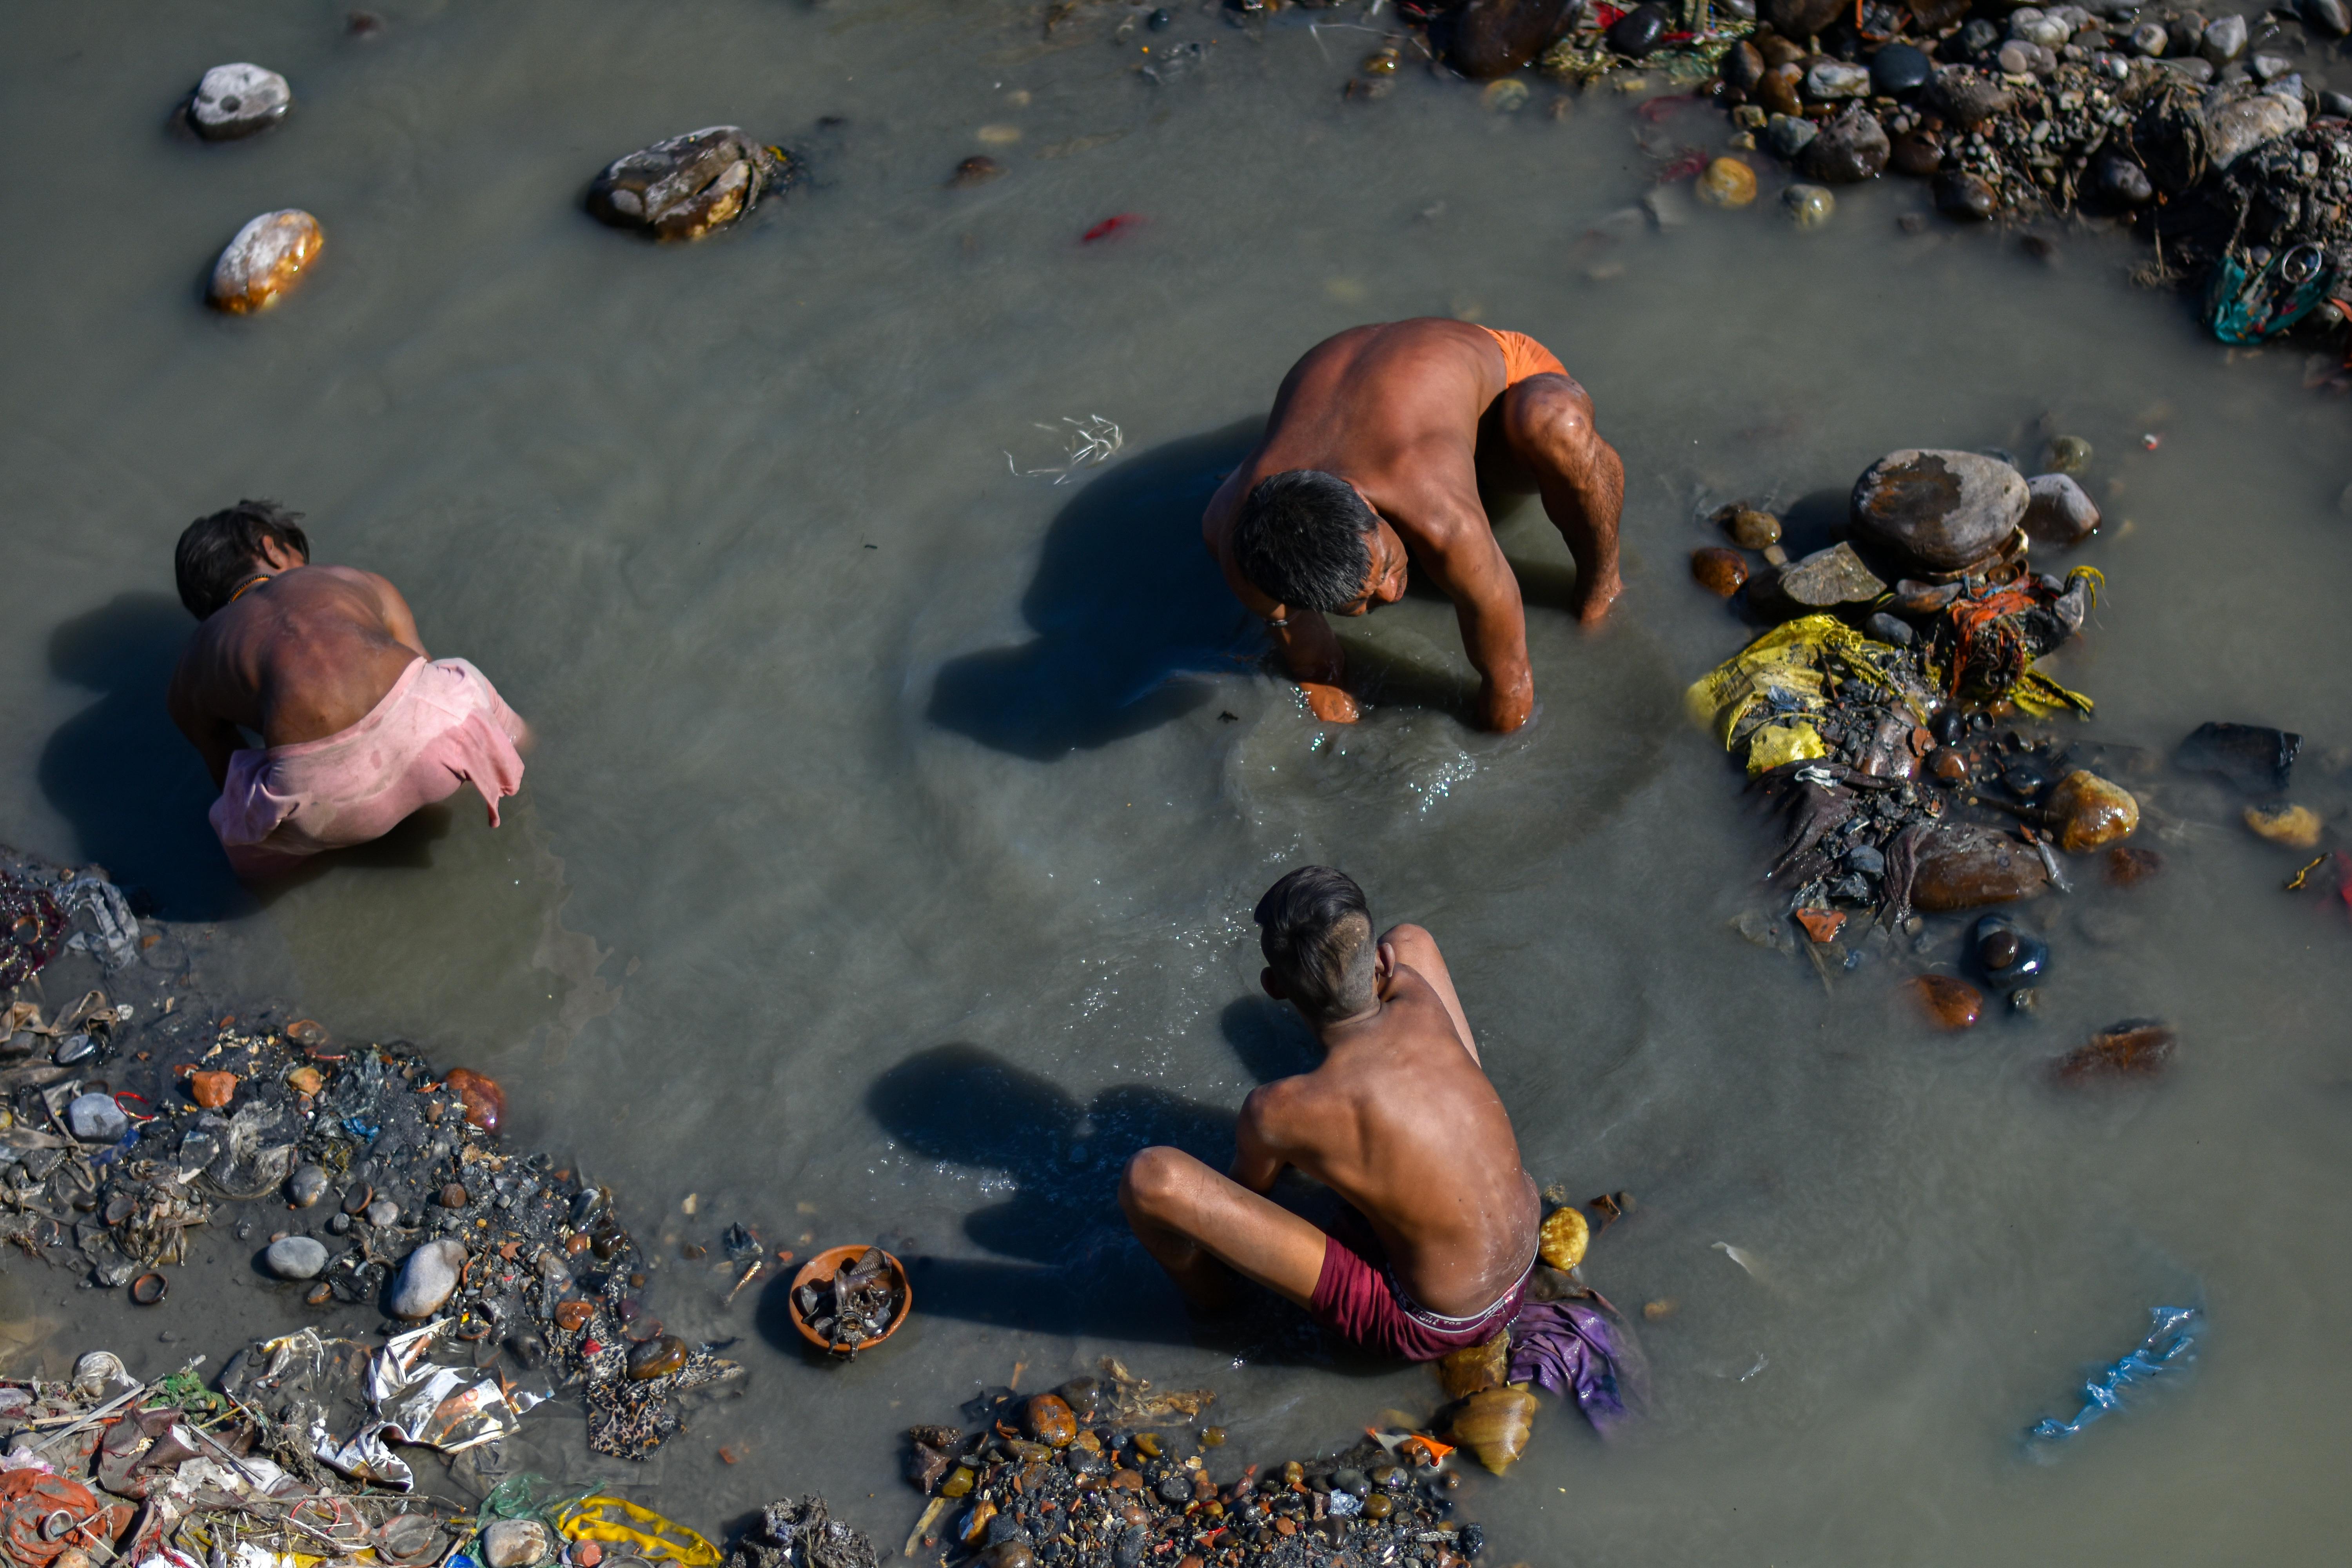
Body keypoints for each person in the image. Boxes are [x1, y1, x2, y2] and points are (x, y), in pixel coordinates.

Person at [1120, 867, 1541, 1360]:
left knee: (1150, 1180)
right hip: (1524, 1250)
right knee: (1414, 938)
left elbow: (1250, 1194)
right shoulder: (1416, 993)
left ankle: (1218, 1309)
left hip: (1438, 1322)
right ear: (1382, 963)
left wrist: (1298, 1141)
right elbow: (1393, 964)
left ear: (1273, 986)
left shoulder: (1275, 1109)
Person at [1201, 318, 1625, 734]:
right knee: (1234, 536)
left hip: (1496, 385)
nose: (1392, 592)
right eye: (1362, 604)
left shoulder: (1444, 516)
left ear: (1363, 500)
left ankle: (1602, 585)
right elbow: (1315, 667)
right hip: (1357, 399)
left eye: (1385, 566)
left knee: (1554, 424)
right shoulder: (1242, 546)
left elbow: (1510, 683)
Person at [166, 500, 530, 879]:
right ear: (271, 548)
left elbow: (223, 770)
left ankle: (284, 893)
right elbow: (420, 665)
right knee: (455, 676)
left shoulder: (194, 660)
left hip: (321, 811)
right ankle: (522, 751)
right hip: (436, 751)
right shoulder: (349, 578)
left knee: (237, 818)